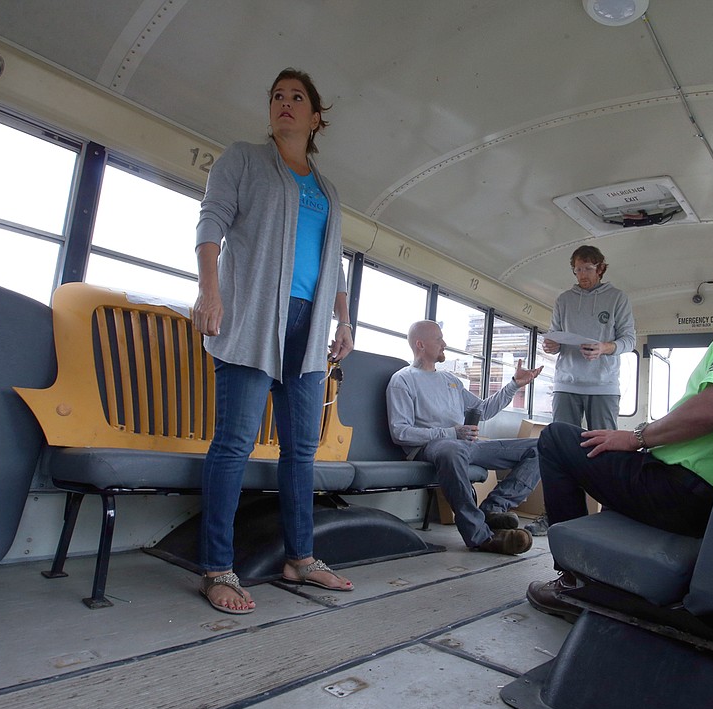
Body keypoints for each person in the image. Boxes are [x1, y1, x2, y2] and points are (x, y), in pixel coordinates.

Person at [526, 247, 713, 620]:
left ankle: (572, 582)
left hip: (682, 491)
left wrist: (637, 437)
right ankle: (610, 576)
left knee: (556, 439)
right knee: (611, 460)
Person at [192, 68, 355, 615]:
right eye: (277, 97)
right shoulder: (242, 159)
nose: (285, 104)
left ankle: (301, 558)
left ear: (315, 118)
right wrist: (209, 294)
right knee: (234, 444)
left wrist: (344, 320)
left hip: (308, 330)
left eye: (297, 98)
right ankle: (216, 568)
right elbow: (211, 223)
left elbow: (333, 262)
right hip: (255, 317)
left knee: (301, 451)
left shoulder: (328, 190)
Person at [387, 320, 545, 555]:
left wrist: (514, 385)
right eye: (439, 339)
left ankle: (493, 508)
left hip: (464, 445)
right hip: (431, 447)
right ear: (420, 344)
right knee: (453, 448)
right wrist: (452, 432)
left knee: (541, 447)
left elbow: (483, 410)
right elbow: (400, 432)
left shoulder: (450, 380)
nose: (444, 344)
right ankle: (480, 536)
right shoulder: (403, 380)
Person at [529, 245, 636, 536]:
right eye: (577, 269)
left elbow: (629, 340)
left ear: (600, 268)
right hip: (566, 383)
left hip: (604, 386)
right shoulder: (564, 300)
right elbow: (554, 337)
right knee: (559, 450)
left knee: (607, 451)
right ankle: (556, 516)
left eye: (588, 269)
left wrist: (605, 347)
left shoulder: (617, 298)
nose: (582, 275)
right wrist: (551, 345)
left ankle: (614, 514)